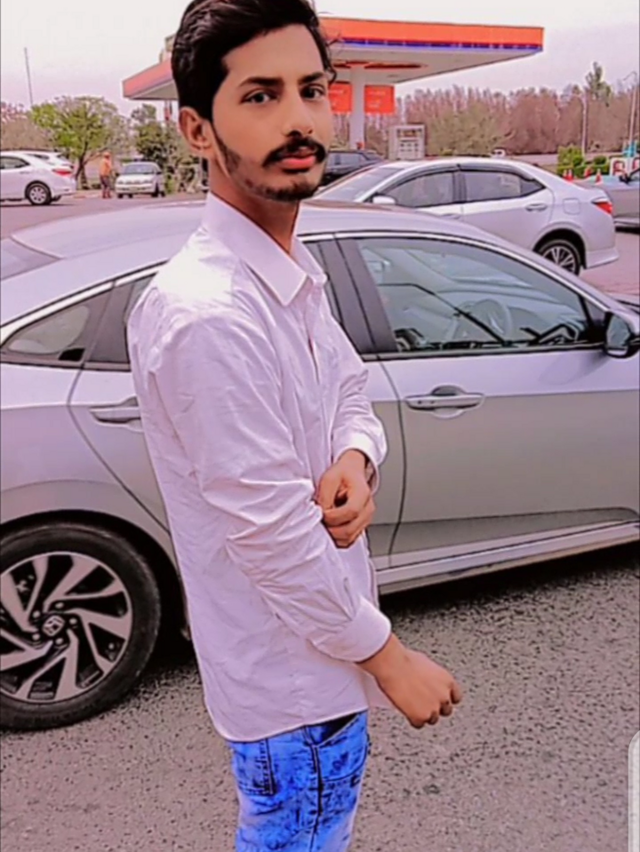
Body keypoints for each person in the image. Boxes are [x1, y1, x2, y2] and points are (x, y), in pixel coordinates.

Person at [127, 2, 463, 850]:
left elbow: (348, 387)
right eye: (261, 96)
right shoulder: (208, 313)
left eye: (311, 90)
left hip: (317, 671)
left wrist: (354, 454)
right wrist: (390, 660)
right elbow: (271, 535)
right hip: (294, 694)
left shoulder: (287, 269)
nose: (299, 120)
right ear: (198, 131)